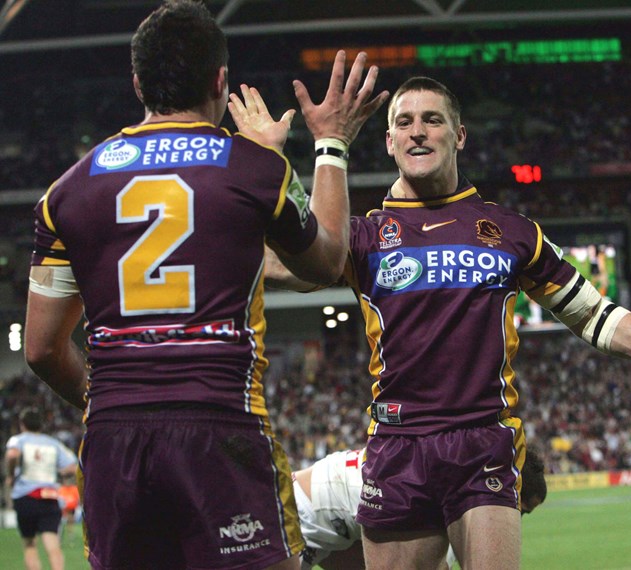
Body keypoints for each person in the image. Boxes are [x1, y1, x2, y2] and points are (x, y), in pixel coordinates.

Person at [257, 76, 631, 569]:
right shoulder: (361, 237)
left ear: (458, 135)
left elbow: (593, 314)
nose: (418, 132)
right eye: (404, 122)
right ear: (389, 142)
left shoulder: (512, 232)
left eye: (432, 120)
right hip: (396, 447)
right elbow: (268, 264)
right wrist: (259, 166)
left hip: (482, 442)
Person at [22, 1, 387, 569]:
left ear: (138, 82)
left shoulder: (65, 192)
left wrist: (111, 402)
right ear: (220, 81)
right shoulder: (254, 169)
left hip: (116, 437)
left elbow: (43, 349)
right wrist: (331, 143)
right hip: (221, 426)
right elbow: (325, 261)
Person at [292, 448, 547, 570]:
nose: (517, 520)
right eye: (521, 511)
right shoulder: (448, 497)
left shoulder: (452, 467)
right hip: (298, 513)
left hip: (332, 527)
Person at [4, 407, 78, 570]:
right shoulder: (53, 443)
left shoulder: (18, 440)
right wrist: (57, 472)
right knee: (53, 544)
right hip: (49, 496)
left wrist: (10, 475)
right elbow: (73, 466)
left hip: (26, 496)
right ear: (41, 425)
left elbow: (12, 455)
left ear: (22, 424)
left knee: (30, 544)